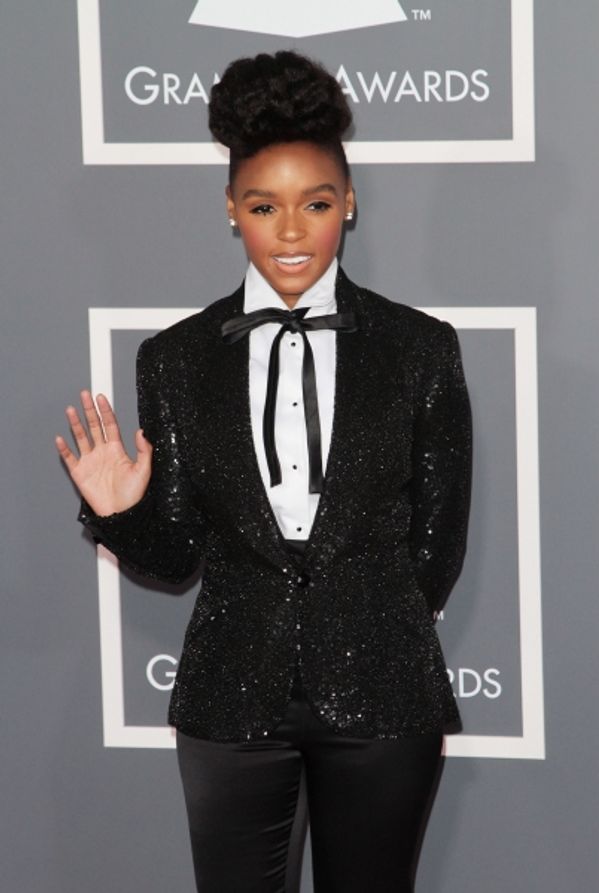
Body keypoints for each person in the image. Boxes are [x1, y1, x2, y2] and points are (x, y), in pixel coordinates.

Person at [56, 50, 472, 893]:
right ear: (231, 211)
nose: (290, 231)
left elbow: (437, 545)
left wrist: (361, 619)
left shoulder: (420, 348)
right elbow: (173, 561)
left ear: (348, 204)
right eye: (263, 206)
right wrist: (120, 511)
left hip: (384, 690)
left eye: (315, 203)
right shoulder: (174, 360)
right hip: (230, 696)